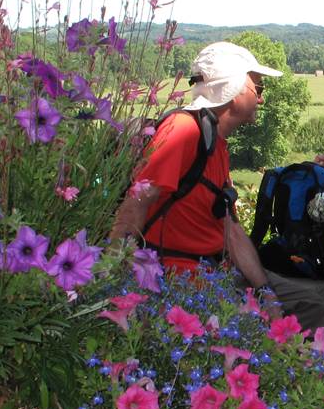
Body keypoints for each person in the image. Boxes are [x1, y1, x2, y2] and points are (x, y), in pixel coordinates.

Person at [109, 41, 280, 288]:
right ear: (236, 90)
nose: (261, 100)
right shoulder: (184, 131)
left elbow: (230, 228)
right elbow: (138, 201)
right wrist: (110, 277)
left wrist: (267, 295)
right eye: (258, 88)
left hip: (208, 276)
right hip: (175, 283)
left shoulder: (215, 143)